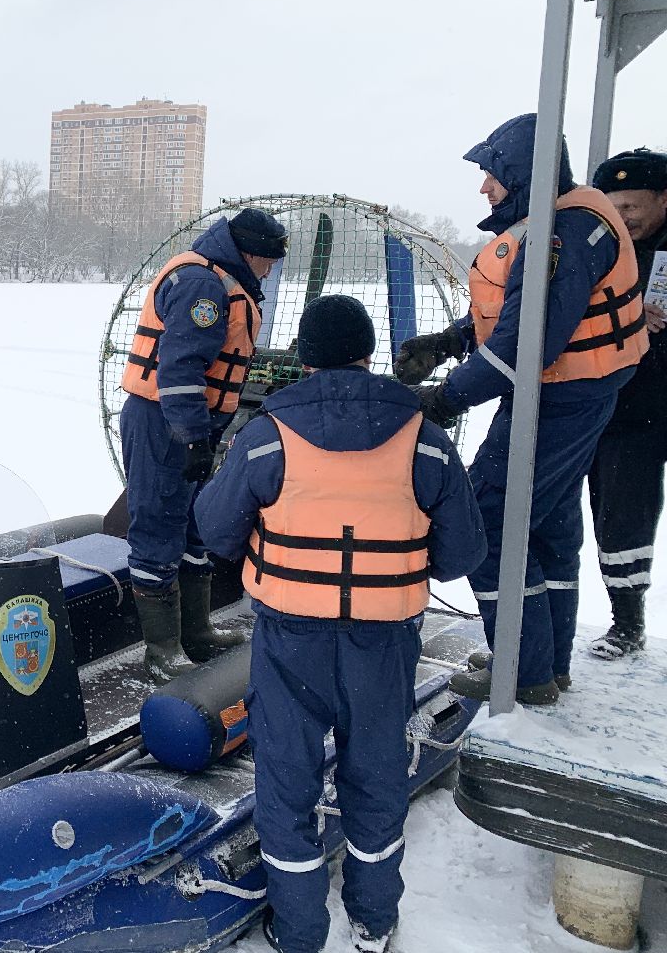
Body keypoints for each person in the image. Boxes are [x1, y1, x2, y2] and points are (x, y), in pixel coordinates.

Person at [196, 294, 485, 953]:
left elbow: (215, 528)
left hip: (289, 639)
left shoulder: (266, 435)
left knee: (286, 784)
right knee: (376, 779)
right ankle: (373, 925)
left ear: (303, 358)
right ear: (367, 354)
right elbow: (463, 554)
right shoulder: (427, 442)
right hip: (383, 641)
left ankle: (298, 933)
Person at [396, 114, 647, 705]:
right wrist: (449, 342)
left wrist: (444, 398)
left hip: (555, 401)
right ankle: (546, 661)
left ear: (521, 175)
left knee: (489, 522)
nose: (484, 188)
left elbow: (523, 345)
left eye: (491, 174)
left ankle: (522, 672)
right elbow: (521, 314)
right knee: (550, 524)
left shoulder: (556, 239)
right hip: (582, 394)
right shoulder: (574, 222)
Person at [118, 207, 288, 682]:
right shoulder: (202, 286)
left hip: (195, 425)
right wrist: (192, 436)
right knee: (158, 522)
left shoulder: (225, 281)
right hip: (163, 420)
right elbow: (179, 369)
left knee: (195, 525)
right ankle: (162, 650)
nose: (271, 269)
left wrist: (203, 436)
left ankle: (196, 633)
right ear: (250, 253)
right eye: (270, 260)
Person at [585, 148, 667, 658]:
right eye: (614, 207)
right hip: (631, 408)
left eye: (633, 206)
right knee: (619, 509)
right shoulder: (601, 248)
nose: (624, 218)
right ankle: (627, 619)